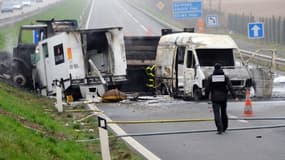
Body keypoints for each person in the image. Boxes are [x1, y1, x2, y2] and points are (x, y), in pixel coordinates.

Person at [205, 63, 238, 134]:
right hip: (223, 97)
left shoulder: (211, 77)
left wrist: (206, 96)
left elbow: (207, 88)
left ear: (214, 68)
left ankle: (219, 129)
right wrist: (234, 96)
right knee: (224, 112)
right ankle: (225, 127)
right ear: (221, 68)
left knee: (217, 114)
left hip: (215, 98)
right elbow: (230, 87)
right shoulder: (225, 77)